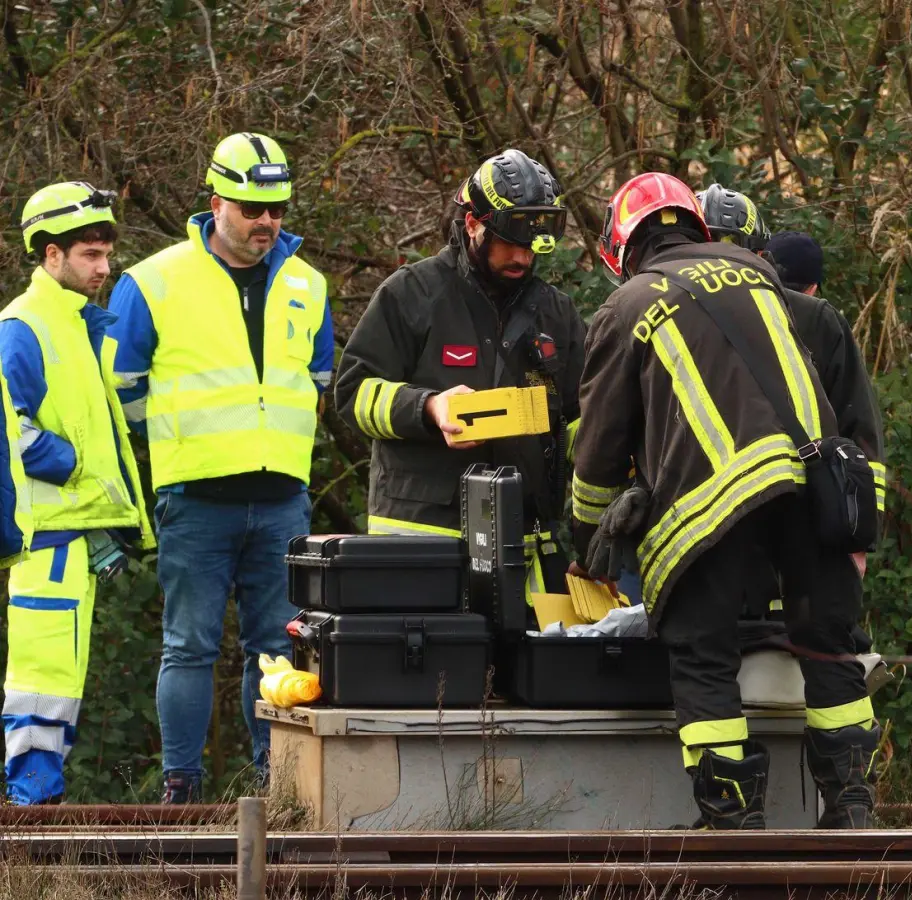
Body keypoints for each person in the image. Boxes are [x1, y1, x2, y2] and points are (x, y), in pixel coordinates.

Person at [570, 172, 879, 830]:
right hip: (813, 480)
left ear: (622, 248)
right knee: (829, 645)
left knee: (702, 654)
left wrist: (586, 533)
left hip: (715, 502)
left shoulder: (626, 306)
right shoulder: (757, 273)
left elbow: (598, 447)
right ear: (697, 227)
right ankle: (852, 811)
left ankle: (733, 824)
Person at [107, 132, 335, 803]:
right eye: (250, 207)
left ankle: (277, 786)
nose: (266, 221)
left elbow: (315, 382)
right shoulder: (153, 281)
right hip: (196, 496)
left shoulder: (308, 285)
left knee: (275, 647)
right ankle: (182, 789)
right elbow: (121, 388)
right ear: (216, 202)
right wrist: (183, 443)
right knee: (189, 647)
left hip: (281, 496)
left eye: (278, 209)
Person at [334, 149, 584, 604]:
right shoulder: (412, 294)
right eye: (510, 241)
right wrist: (429, 408)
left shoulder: (556, 313)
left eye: (532, 245)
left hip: (525, 547)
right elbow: (353, 393)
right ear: (472, 223)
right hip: (423, 543)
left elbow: (578, 416)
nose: (522, 257)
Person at [0, 182, 149, 804]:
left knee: (60, 668)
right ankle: (32, 797)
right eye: (90, 254)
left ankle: (40, 796)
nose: (104, 267)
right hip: (46, 532)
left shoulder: (77, 324)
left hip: (69, 530)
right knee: (43, 670)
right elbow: (13, 421)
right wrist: (69, 465)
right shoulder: (23, 327)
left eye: (106, 253)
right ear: (50, 255)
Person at [696, 186, 886, 595]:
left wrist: (859, 533)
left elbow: (858, 430)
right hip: (714, 534)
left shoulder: (814, 319)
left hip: (789, 522)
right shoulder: (664, 318)